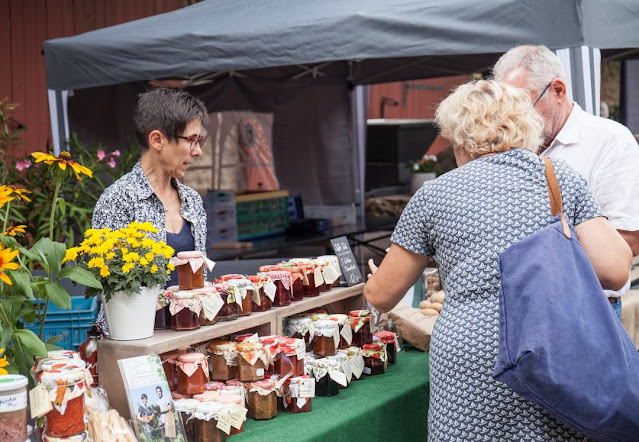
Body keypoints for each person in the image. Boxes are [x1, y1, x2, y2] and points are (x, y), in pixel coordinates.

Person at [364, 80, 632, 440]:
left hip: (470, 359)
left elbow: (381, 296)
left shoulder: (434, 196)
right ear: (526, 127)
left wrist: (373, 277)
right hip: (549, 348)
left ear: (456, 139)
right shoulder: (559, 177)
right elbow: (615, 271)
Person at [492, 45, 639, 319]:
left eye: (522, 106)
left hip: (587, 309)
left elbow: (627, 240)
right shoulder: (510, 144)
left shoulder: (610, 140)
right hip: (520, 306)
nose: (513, 120)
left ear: (558, 90)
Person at [92, 88, 209, 331]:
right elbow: (112, 290)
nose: (198, 151)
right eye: (192, 140)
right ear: (157, 140)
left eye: (200, 141)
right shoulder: (118, 200)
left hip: (190, 340)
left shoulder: (192, 201)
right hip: (138, 344)